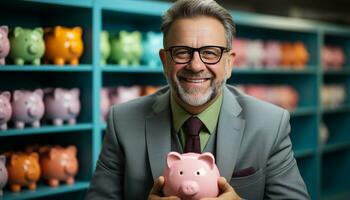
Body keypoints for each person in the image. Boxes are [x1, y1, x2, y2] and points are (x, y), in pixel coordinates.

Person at [86, 0, 310, 199]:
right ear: (164, 61)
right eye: (182, 52)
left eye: (210, 52)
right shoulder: (123, 120)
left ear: (229, 63)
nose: (195, 65)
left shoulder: (270, 123)